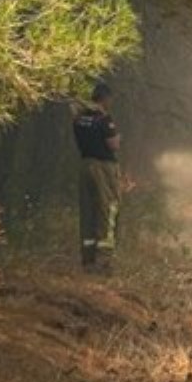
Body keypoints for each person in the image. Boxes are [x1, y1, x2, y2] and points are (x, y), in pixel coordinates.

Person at [71, 82, 121, 275]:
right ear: (105, 98)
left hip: (85, 165)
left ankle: (88, 259)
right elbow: (113, 144)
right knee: (108, 208)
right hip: (104, 167)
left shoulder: (79, 119)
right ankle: (104, 260)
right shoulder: (104, 119)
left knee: (88, 210)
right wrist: (117, 137)